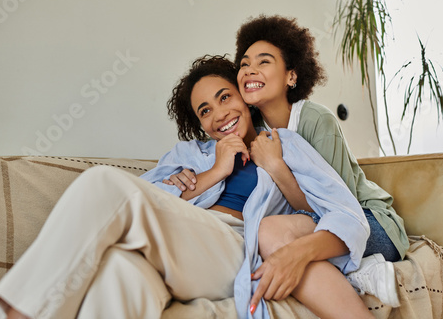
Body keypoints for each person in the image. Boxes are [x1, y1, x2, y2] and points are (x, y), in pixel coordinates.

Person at [0, 55, 371, 319]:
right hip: (181, 249)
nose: (220, 115)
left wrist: (279, 173)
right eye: (206, 111)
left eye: (225, 98)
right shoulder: (187, 155)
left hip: (237, 248)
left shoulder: (286, 144)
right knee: (120, 272)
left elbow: (348, 215)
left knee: (102, 181)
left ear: (245, 98)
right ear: (200, 124)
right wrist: (214, 172)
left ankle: (14, 313)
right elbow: (140, 205)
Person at [169, 15, 409, 312]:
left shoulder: (314, 121)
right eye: (244, 64)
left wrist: (276, 167)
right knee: (268, 233)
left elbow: (336, 208)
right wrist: (185, 176)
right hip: (311, 223)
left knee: (272, 235)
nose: (250, 70)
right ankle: (347, 270)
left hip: (370, 220)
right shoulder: (246, 126)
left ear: (291, 76)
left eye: (264, 62)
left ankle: (358, 269)